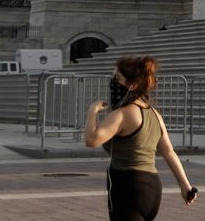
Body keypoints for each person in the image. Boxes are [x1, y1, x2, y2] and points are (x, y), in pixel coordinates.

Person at [84, 55, 196, 219]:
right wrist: (185, 186)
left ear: (133, 85)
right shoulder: (155, 114)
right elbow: (169, 152)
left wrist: (92, 111)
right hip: (152, 189)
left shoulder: (123, 114)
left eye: (117, 78)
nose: (113, 82)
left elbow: (91, 140)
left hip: (128, 187)